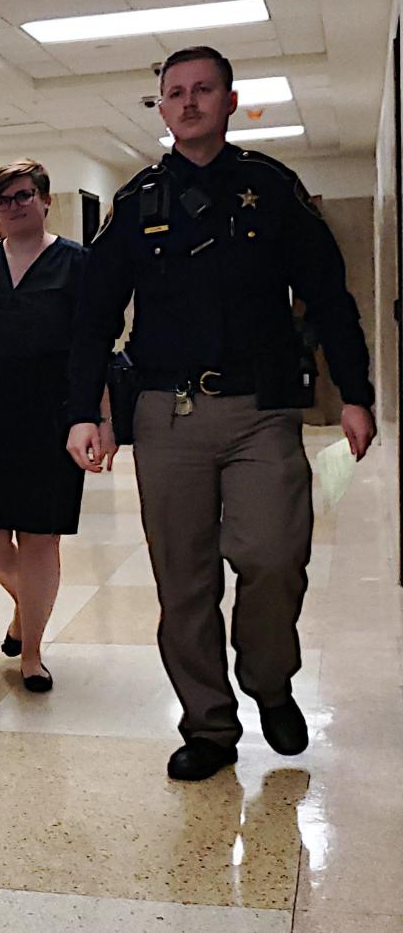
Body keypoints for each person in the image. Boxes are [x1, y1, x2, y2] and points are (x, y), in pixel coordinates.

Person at [66, 45, 376, 782]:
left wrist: (356, 392)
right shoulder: (138, 201)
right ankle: (208, 724)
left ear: (231, 102)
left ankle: (270, 680)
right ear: (163, 108)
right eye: (175, 93)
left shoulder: (271, 190)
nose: (189, 102)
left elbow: (329, 295)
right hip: (166, 413)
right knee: (185, 579)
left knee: (272, 557)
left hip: (260, 410)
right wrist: (86, 409)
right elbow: (92, 316)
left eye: (204, 89)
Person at [0, 160, 106, 692]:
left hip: (53, 408)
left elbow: (92, 345)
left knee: (41, 534)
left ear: (44, 199)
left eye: (22, 196)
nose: (14, 207)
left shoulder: (77, 263)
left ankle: (32, 652)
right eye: (3, 200)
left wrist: (96, 417)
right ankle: (26, 603)